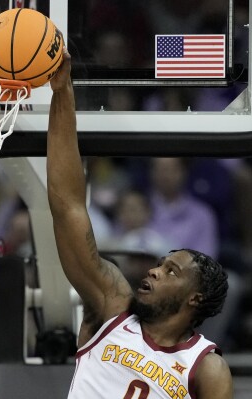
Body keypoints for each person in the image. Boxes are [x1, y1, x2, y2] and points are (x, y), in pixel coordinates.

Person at [46, 48, 233, 398]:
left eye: (171, 271)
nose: (153, 271)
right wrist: (62, 94)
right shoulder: (111, 306)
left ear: (195, 298)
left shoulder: (206, 366)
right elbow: (68, 206)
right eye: (161, 265)